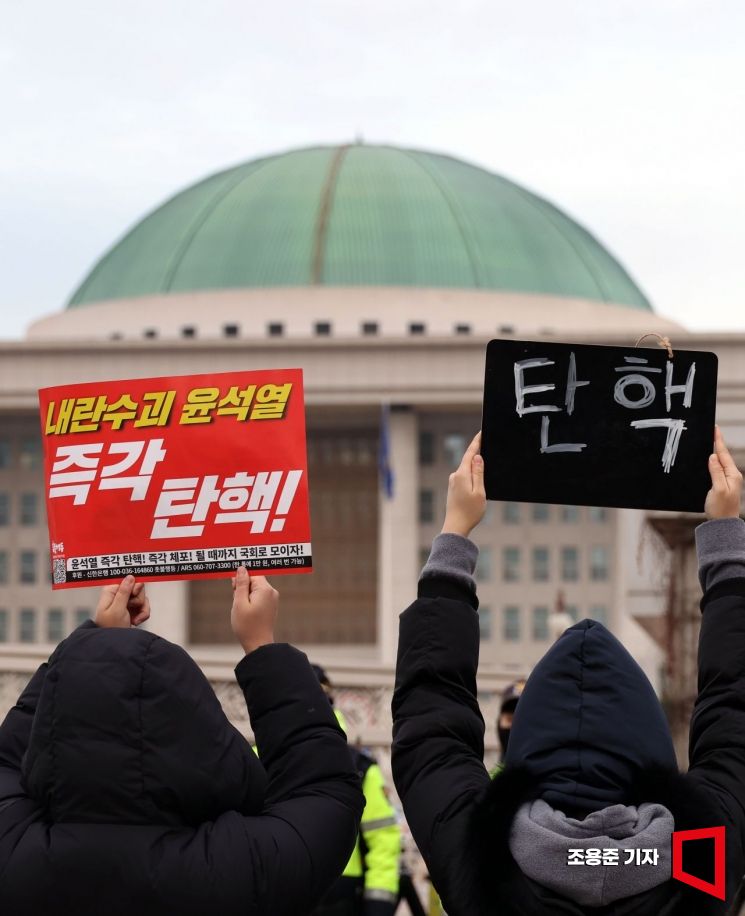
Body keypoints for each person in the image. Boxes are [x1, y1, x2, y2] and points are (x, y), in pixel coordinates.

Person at [392, 428, 745, 914]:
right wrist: (726, 541)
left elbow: (430, 728)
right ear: (648, 739)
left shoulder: (482, 854)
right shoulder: (702, 859)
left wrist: (455, 531)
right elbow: (735, 712)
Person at [0, 566, 364, 915]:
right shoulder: (240, 870)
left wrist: (89, 646)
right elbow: (324, 792)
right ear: (198, 725)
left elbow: (7, 760)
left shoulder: (14, 857)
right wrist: (262, 647)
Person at [310, 664, 401, 916]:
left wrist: (378, 906)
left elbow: (383, 841)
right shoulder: (258, 762)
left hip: (340, 901)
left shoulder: (357, 768)